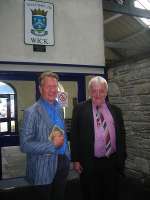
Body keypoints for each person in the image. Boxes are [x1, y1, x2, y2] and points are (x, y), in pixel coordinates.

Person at [70, 76, 126, 200]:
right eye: (94, 90)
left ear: (106, 92)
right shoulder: (79, 109)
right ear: (90, 92)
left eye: (101, 91)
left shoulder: (116, 111)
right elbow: (74, 136)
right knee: (91, 194)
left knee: (111, 194)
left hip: (111, 161)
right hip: (89, 162)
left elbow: (121, 136)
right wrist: (76, 159)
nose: (98, 94)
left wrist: (121, 158)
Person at [20, 71, 70, 200]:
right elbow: (24, 145)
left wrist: (68, 155)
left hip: (62, 163)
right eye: (49, 87)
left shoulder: (59, 108)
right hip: (43, 170)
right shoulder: (31, 112)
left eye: (55, 86)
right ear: (40, 89)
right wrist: (51, 145)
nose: (53, 90)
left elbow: (62, 132)